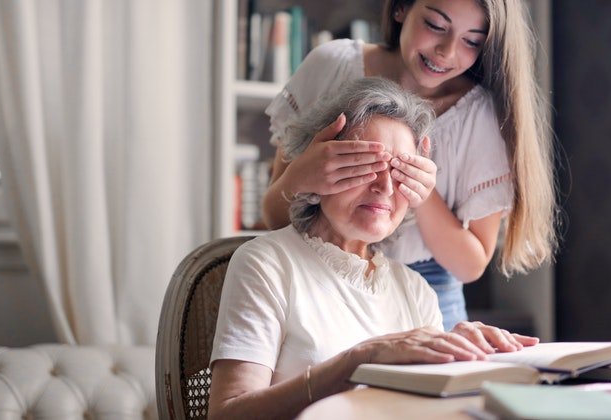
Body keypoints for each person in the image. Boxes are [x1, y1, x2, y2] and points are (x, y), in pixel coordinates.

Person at [208, 77, 538, 419]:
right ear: (322, 167)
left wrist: (467, 358)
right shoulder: (266, 265)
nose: (384, 186)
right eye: (366, 164)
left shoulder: (416, 291)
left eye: (401, 172)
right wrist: (361, 358)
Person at [262, 0, 558, 331]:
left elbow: (470, 265)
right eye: (435, 25)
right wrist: (302, 175)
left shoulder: (479, 118)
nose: (446, 52)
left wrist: (421, 191)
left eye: (471, 41)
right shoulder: (331, 66)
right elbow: (274, 218)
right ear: (401, 8)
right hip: (319, 278)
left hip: (429, 293)